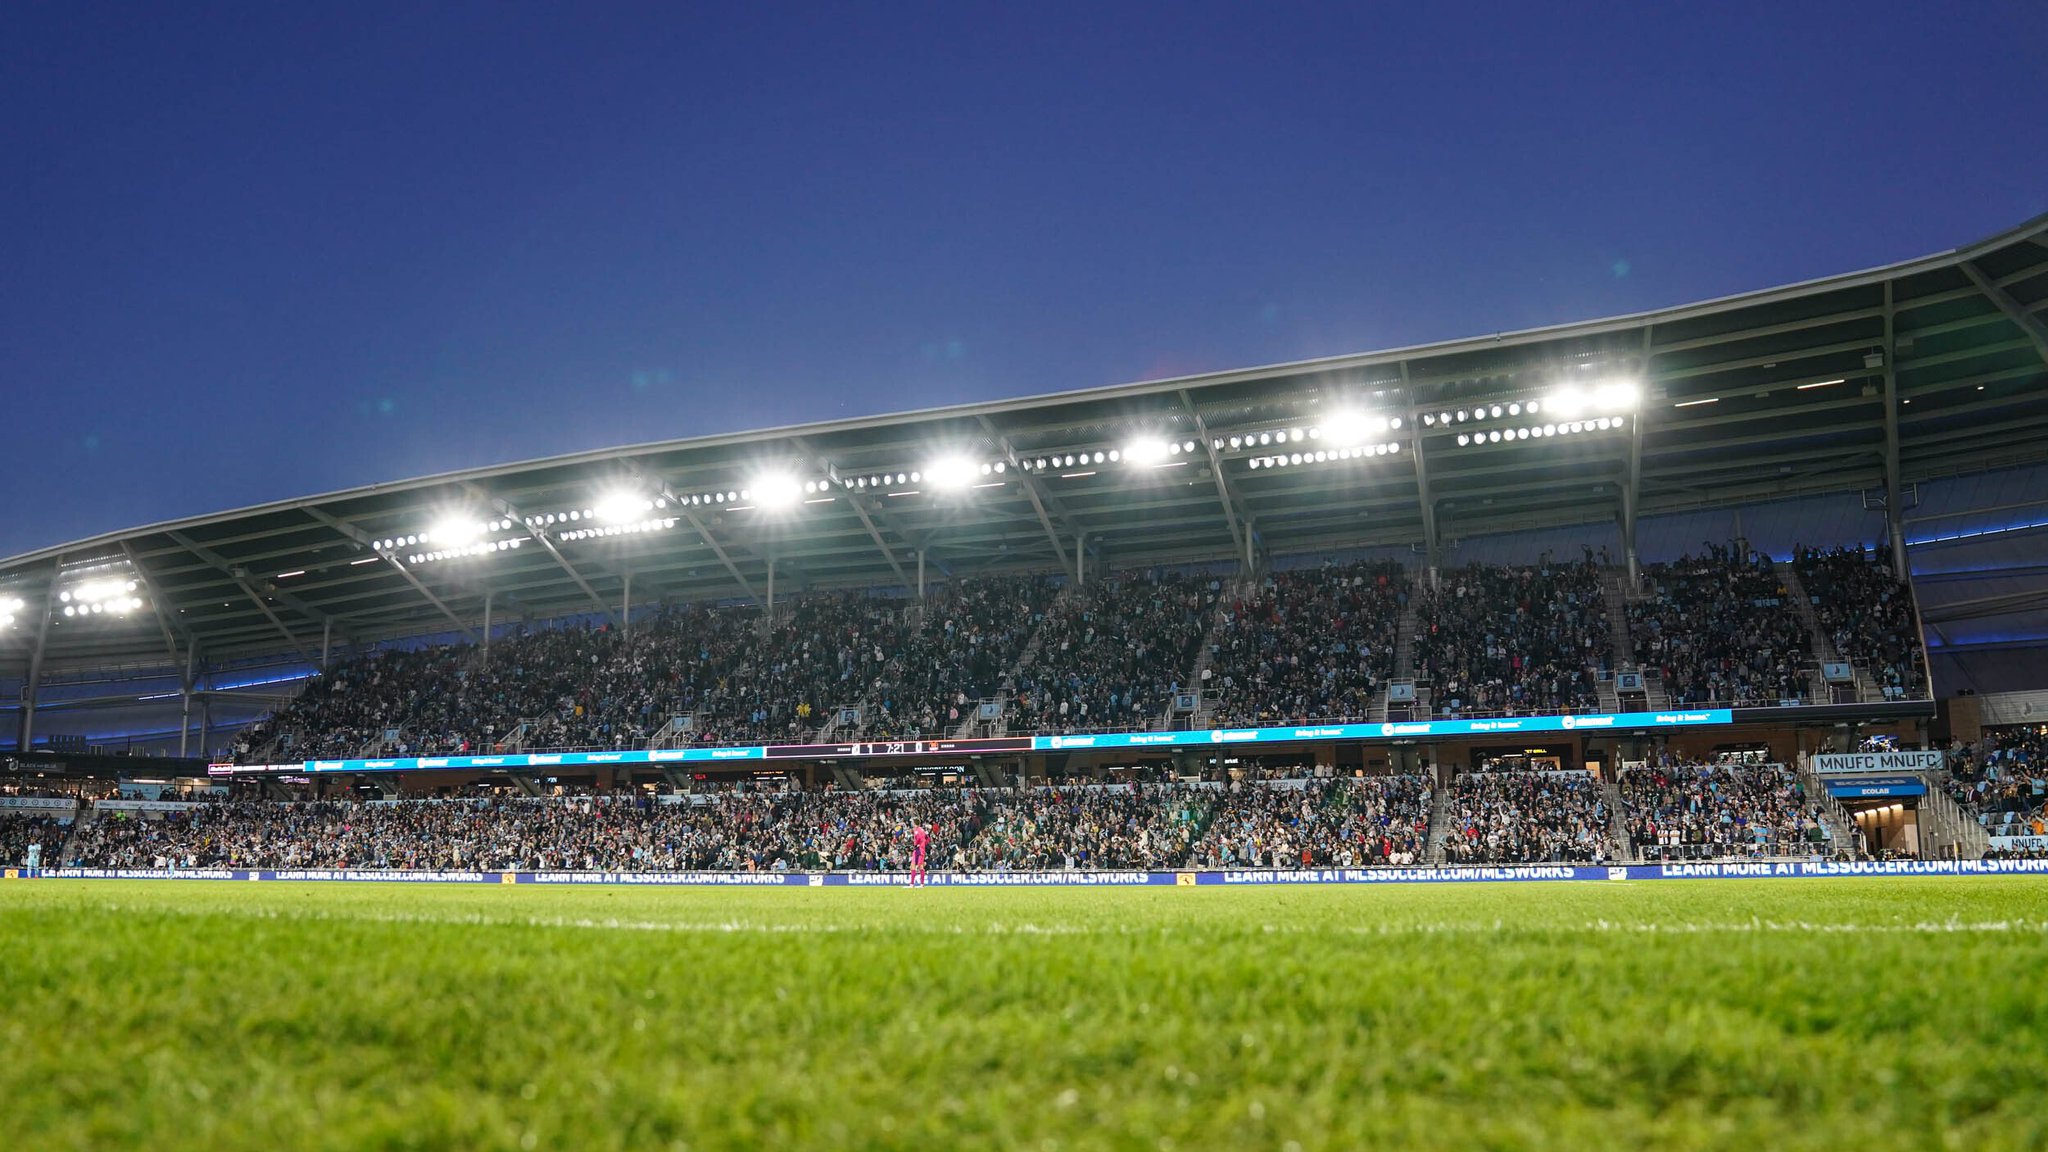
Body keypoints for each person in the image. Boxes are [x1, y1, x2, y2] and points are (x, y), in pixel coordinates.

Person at [910, 822, 930, 888]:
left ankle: (912, 884)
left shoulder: (916, 830)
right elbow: (928, 839)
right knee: (920, 866)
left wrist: (916, 845)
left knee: (914, 866)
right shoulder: (922, 830)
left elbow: (917, 838)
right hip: (922, 849)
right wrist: (923, 844)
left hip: (918, 849)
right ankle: (921, 884)